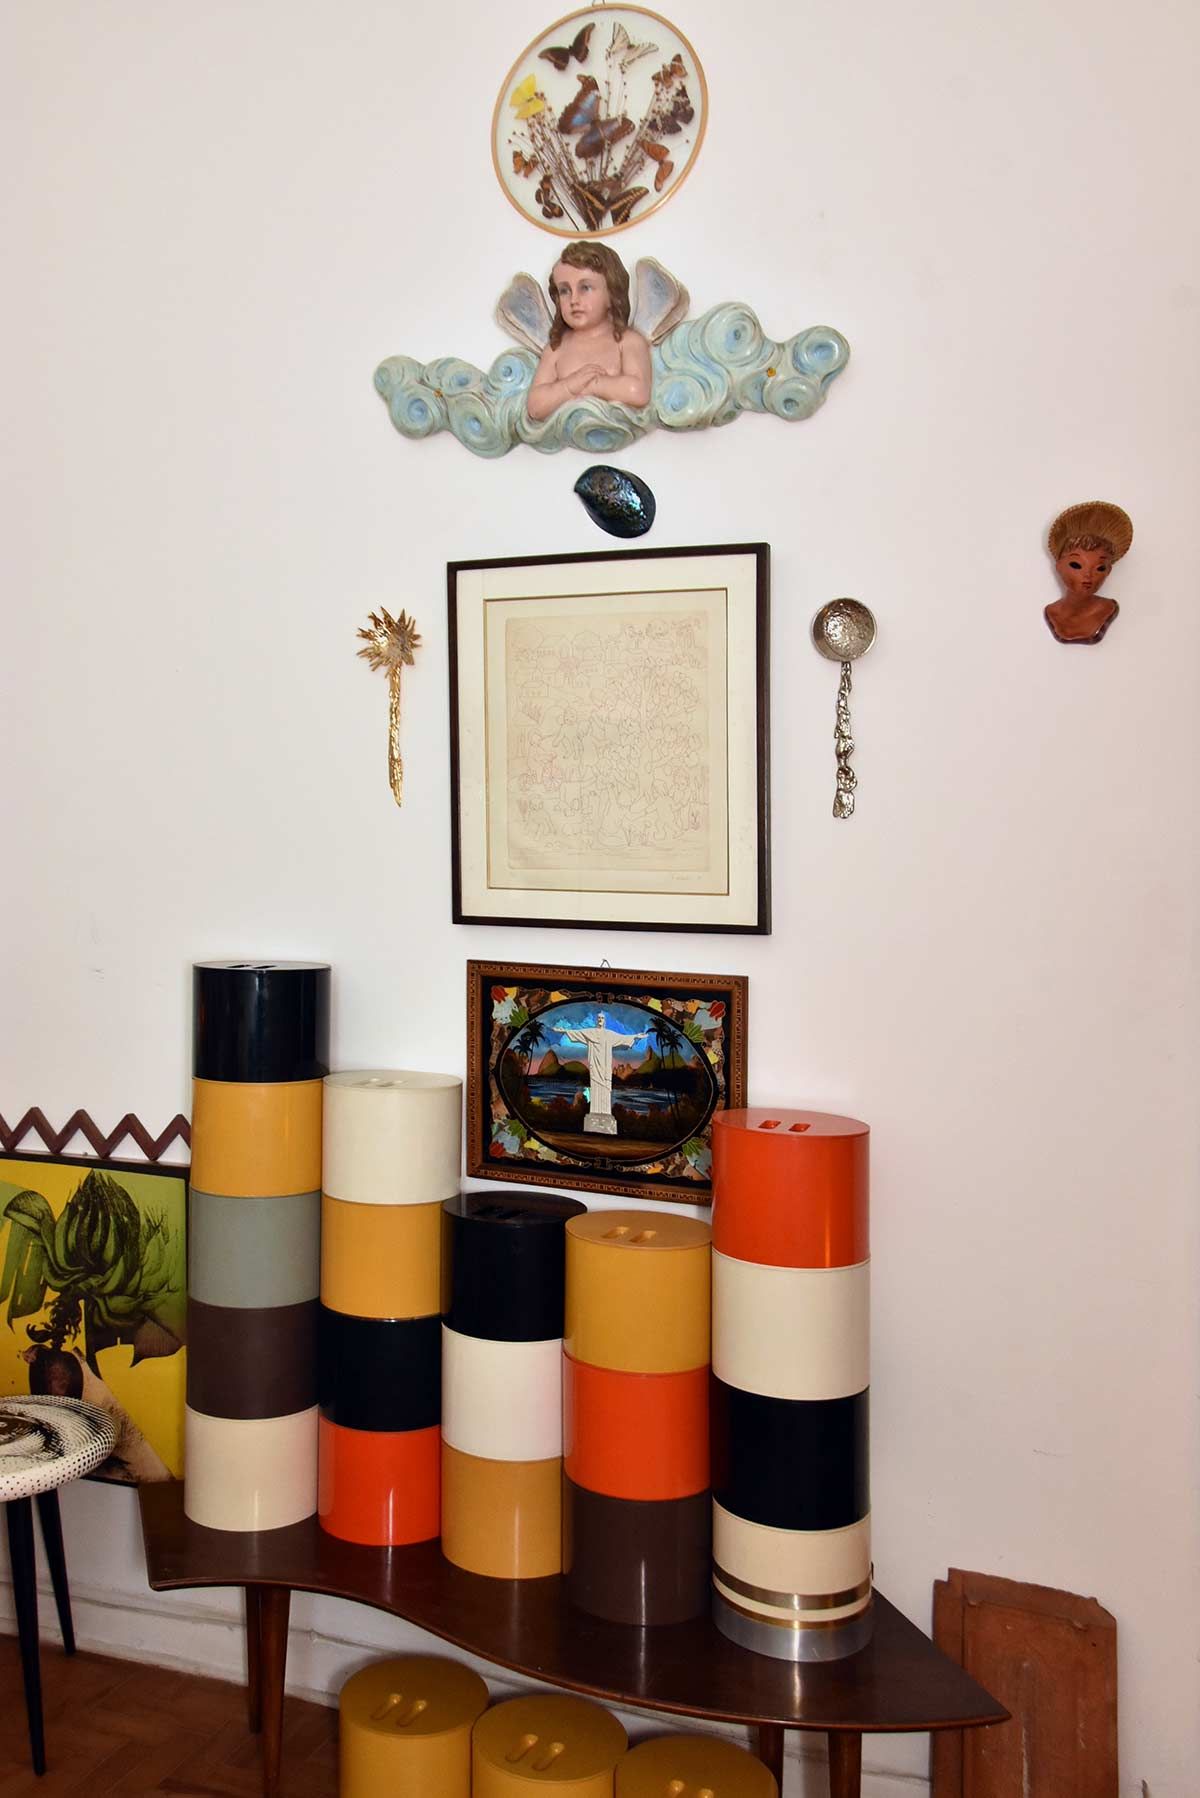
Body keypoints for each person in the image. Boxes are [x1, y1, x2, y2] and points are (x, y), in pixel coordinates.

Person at [527, 241, 652, 421]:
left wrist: (593, 384)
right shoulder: (556, 348)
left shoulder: (628, 341)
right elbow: (535, 407)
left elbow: (638, 392)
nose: (574, 300)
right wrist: (570, 385)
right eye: (564, 291)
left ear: (612, 293)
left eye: (585, 288)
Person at [1043, 501, 1133, 644]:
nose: (1088, 575)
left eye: (1099, 568)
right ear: (1059, 567)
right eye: (1076, 565)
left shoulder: (1107, 610)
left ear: (1108, 571)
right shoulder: (1051, 612)